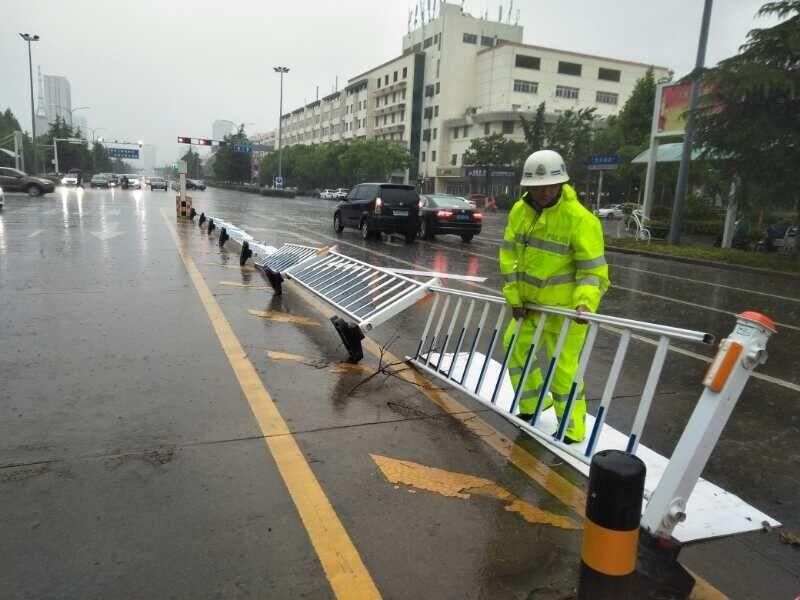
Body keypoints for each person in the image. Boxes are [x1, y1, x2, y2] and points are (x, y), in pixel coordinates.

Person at [499, 150, 610, 443]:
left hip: (567, 312)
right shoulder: (519, 213)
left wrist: (585, 303)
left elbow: (593, 271)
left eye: (550, 185)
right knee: (514, 346)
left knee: (563, 369)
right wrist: (515, 298)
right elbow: (509, 258)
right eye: (538, 187)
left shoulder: (580, 220)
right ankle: (534, 404)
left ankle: (572, 427)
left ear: (562, 183)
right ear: (527, 187)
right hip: (531, 307)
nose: (544, 192)